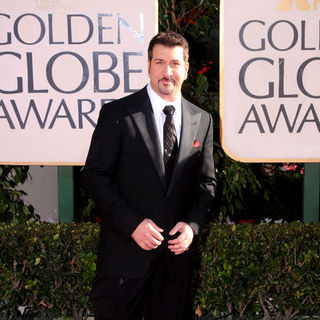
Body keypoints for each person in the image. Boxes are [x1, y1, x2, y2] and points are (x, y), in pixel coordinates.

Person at [83, 32, 216, 320]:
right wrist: (132, 224)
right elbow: (95, 176)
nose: (167, 72)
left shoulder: (201, 120)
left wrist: (191, 226)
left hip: (175, 263)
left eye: (174, 63)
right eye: (159, 62)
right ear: (148, 65)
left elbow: (205, 184)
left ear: (187, 68)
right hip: (124, 258)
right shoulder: (118, 113)